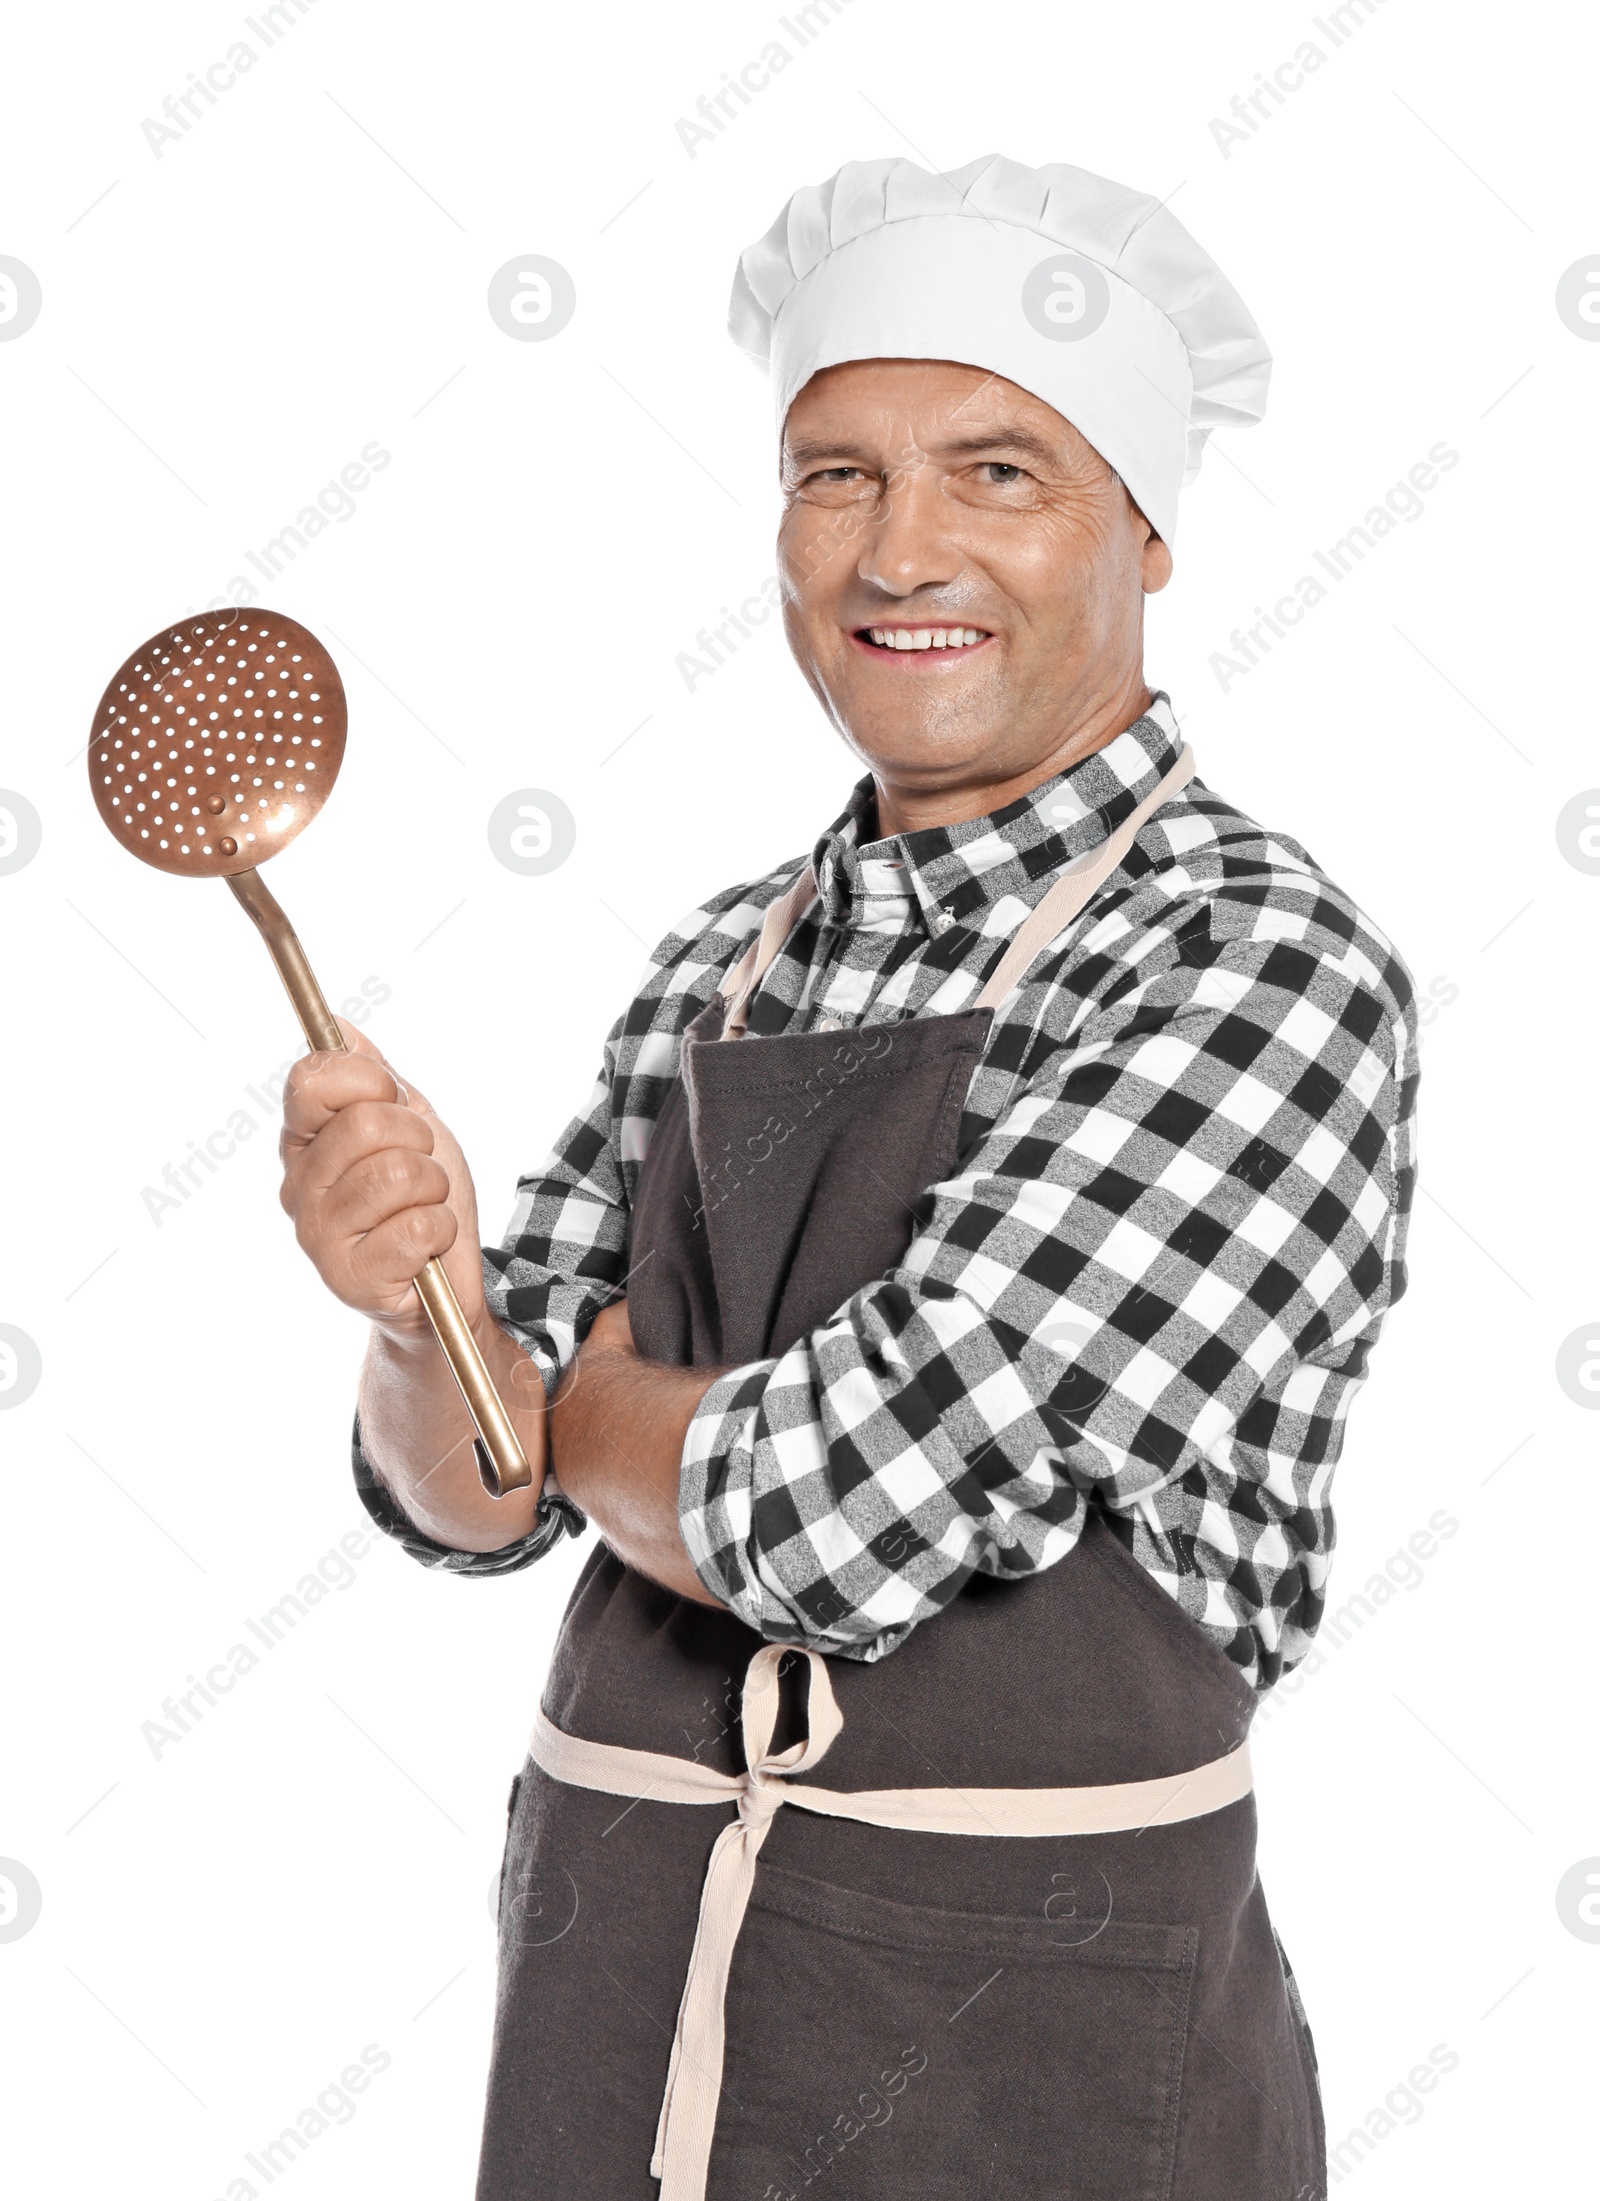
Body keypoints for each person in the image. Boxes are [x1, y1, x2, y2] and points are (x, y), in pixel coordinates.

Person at [280, 155, 1417, 2201]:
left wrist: (596, 1404)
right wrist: (409, 1309)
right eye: (833, 474)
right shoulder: (729, 955)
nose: (901, 549)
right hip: (616, 1993)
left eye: (997, 470)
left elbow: (832, 1512)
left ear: (1143, 531)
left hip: (1022, 2043)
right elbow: (470, 1498)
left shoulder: (1244, 963)